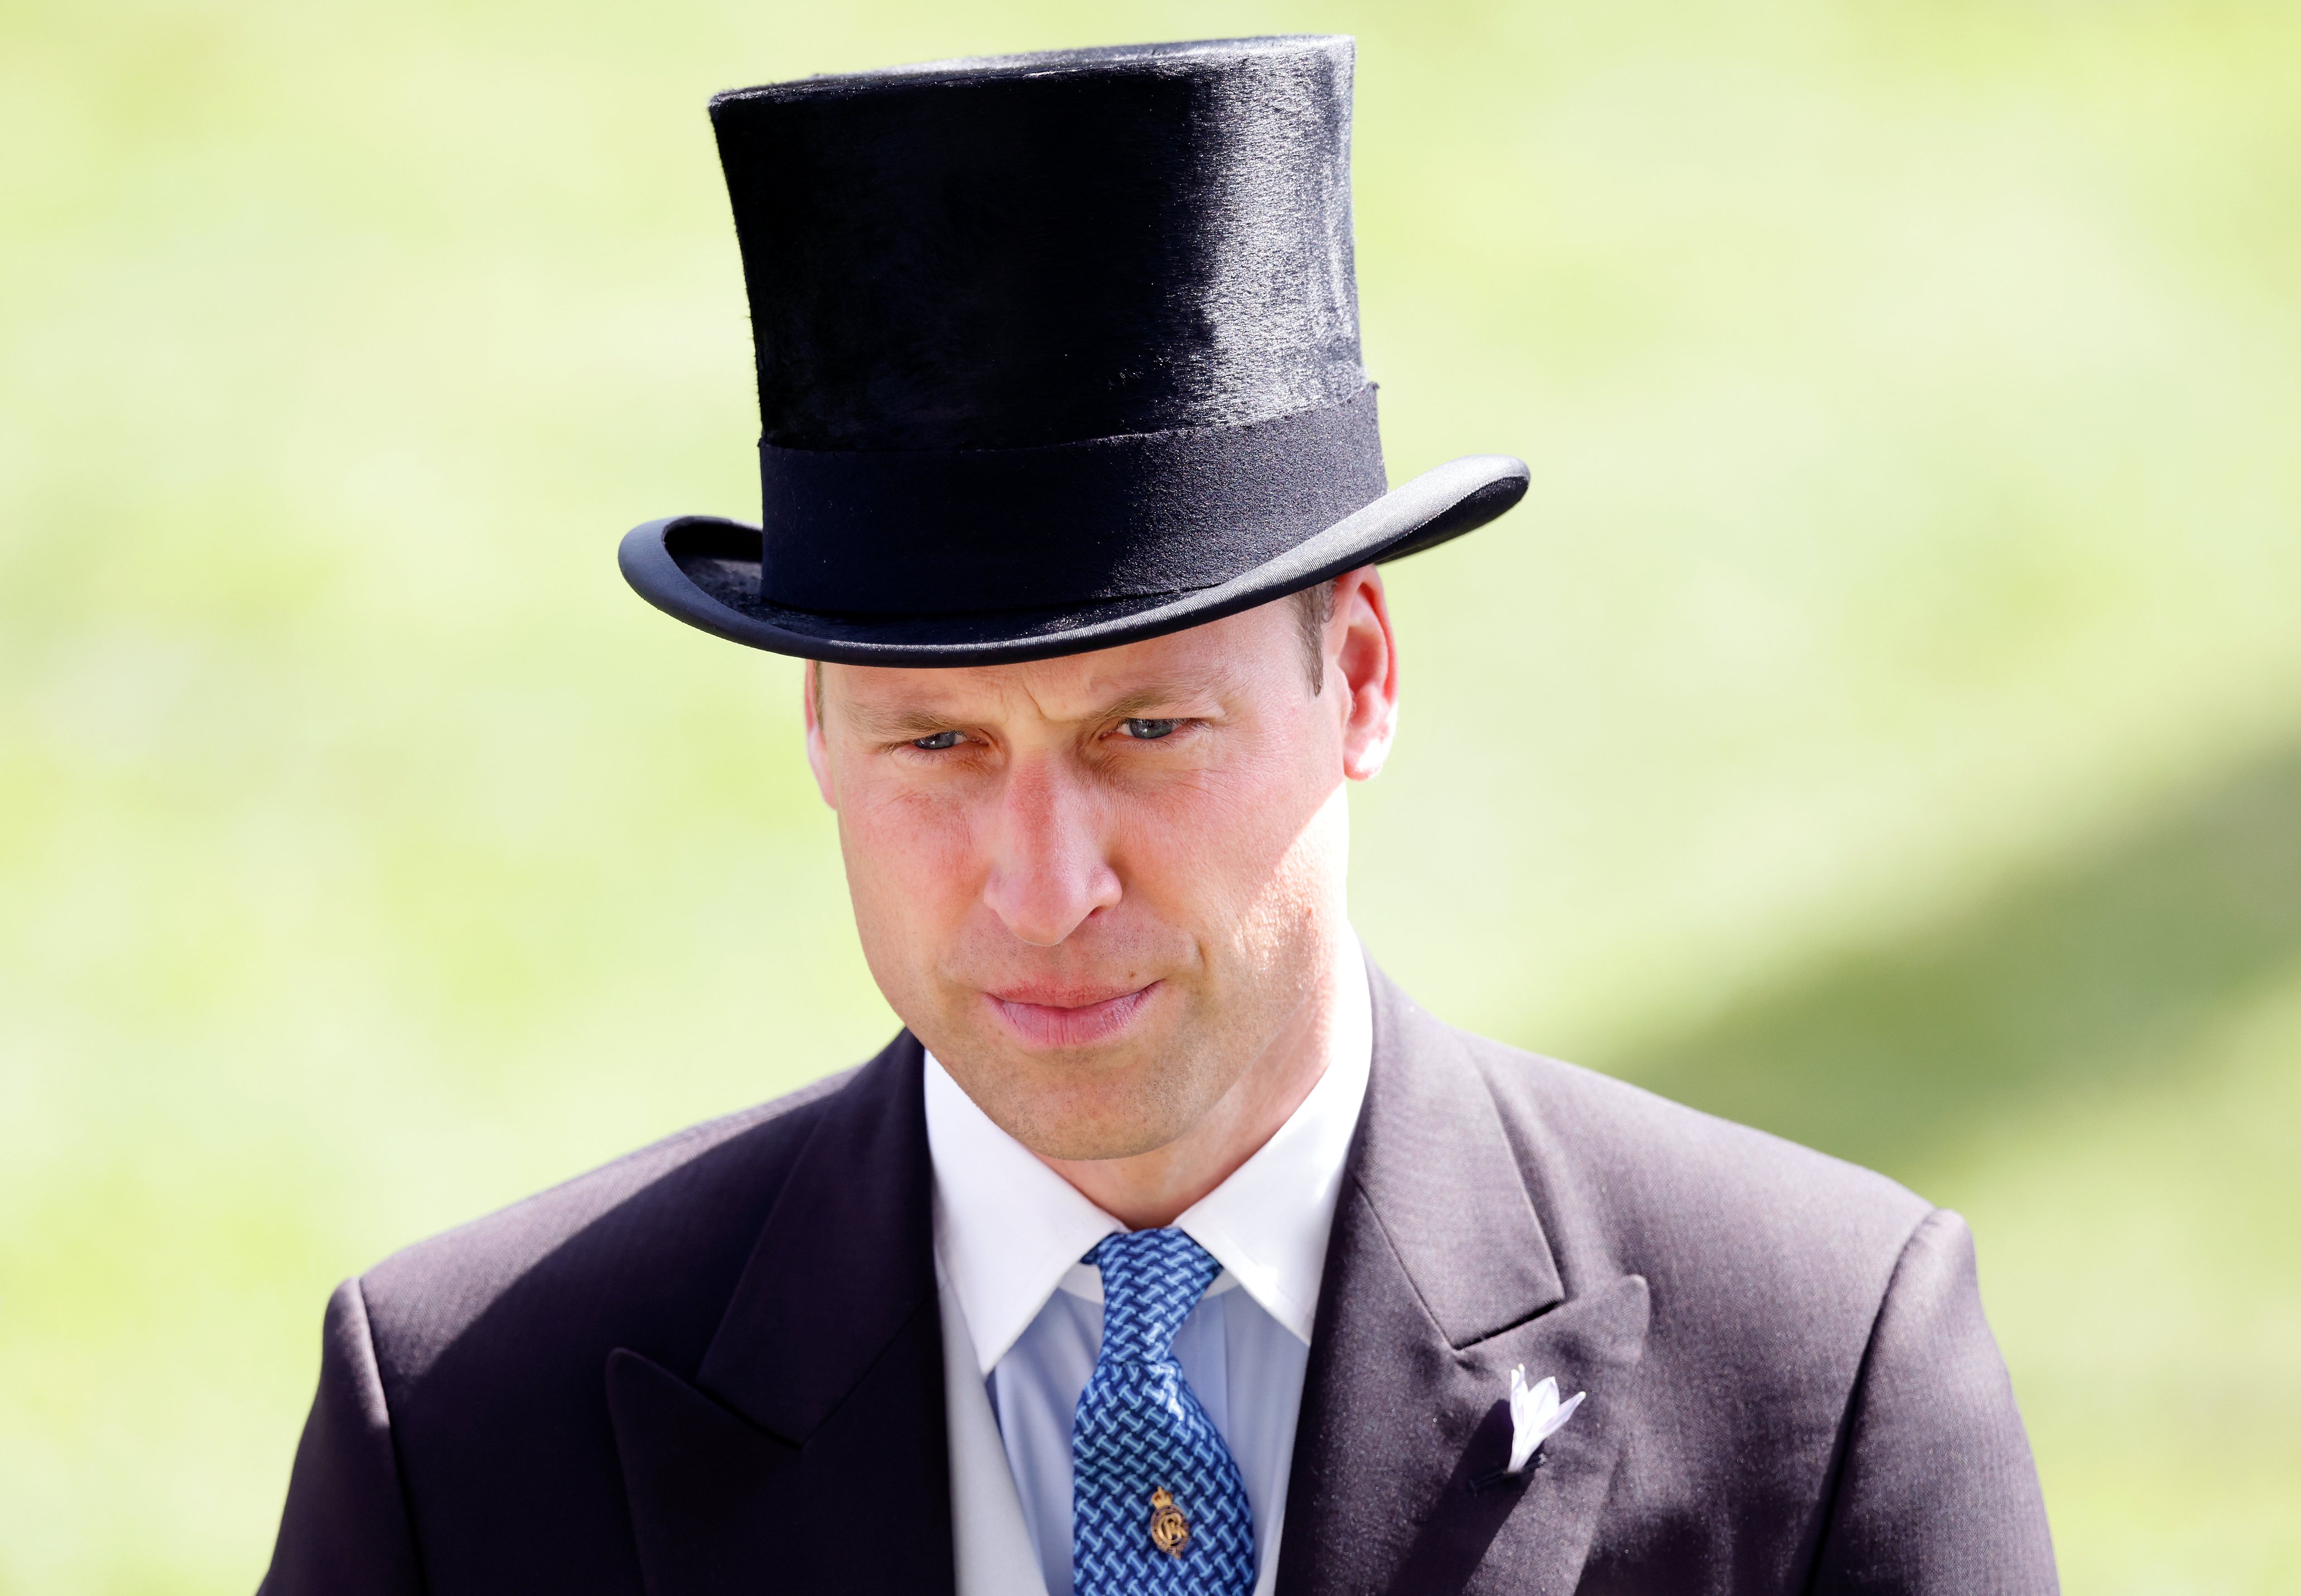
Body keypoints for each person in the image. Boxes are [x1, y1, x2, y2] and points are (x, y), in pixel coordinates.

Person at [258, 36, 2057, 1596]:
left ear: (1358, 679)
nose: (1044, 891)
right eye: (937, 749)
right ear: (814, 723)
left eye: (1145, 728)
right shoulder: (465, 1424)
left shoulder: (1825, 1374)